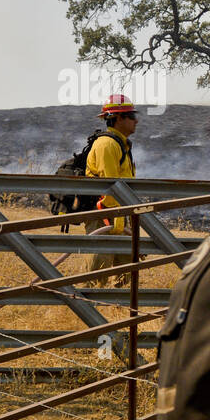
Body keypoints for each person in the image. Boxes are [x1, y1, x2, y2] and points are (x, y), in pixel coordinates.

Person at [84, 94, 138, 286]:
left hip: (118, 215)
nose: (136, 120)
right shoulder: (107, 144)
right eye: (131, 116)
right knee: (99, 273)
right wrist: (119, 220)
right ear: (118, 118)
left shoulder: (120, 143)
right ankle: (87, 309)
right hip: (105, 215)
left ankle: (119, 310)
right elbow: (111, 186)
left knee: (127, 273)